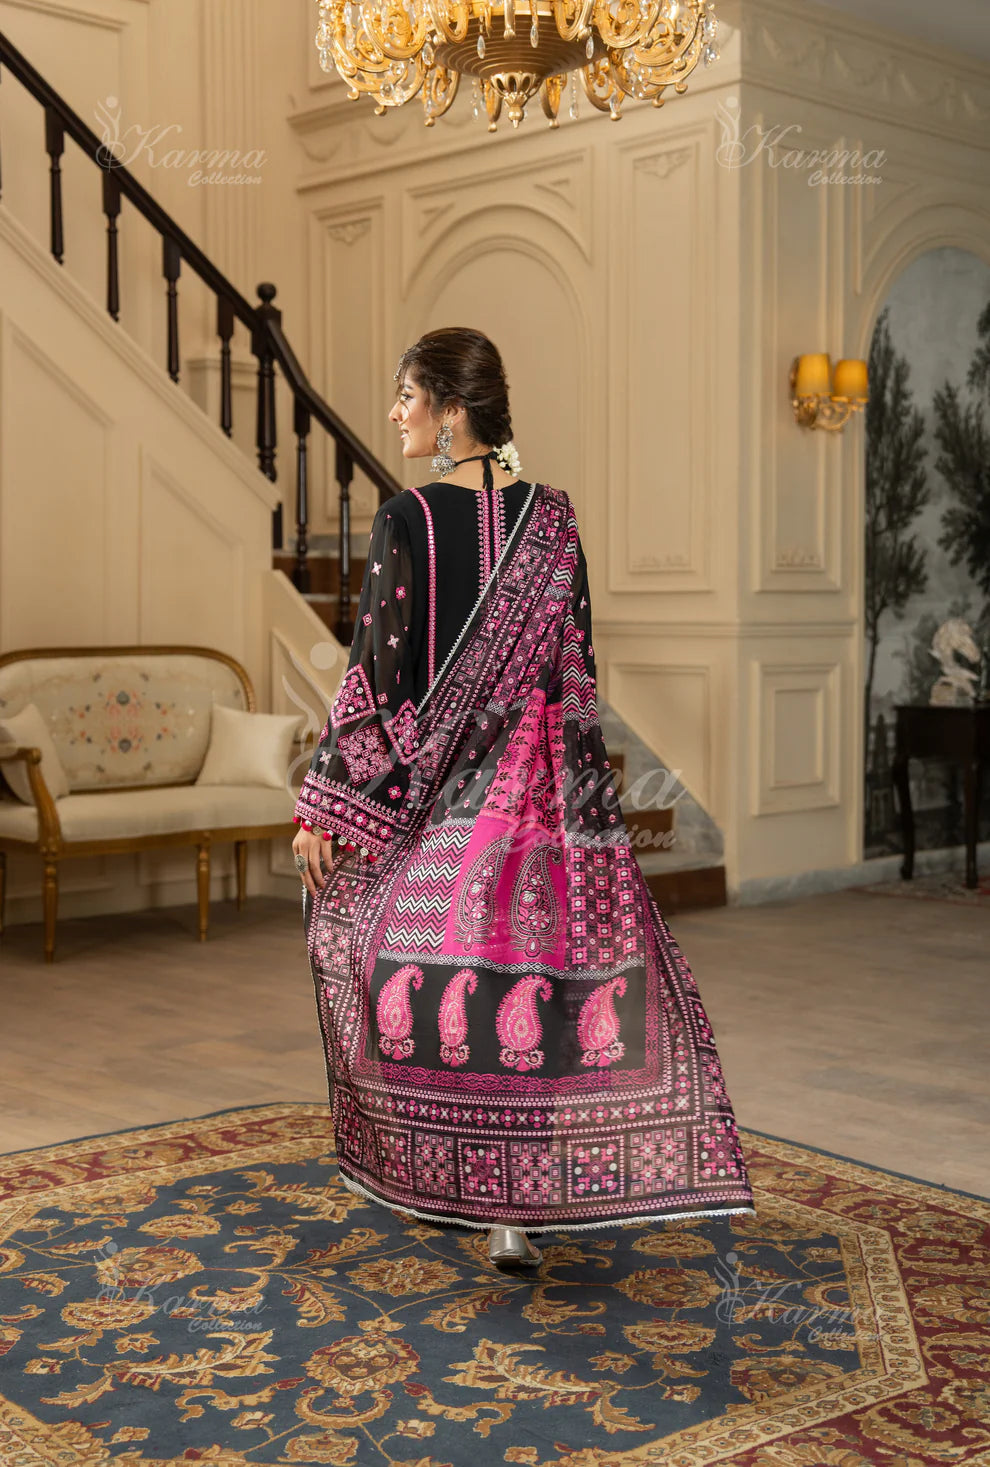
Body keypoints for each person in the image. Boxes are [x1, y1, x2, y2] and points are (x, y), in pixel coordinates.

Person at [291, 327, 755, 1268]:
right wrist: (589, 812)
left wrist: (326, 808)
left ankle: (455, 1175)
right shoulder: (556, 519)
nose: (396, 413)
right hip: (545, 794)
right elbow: (578, 673)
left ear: (452, 410)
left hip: (439, 795)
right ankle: (518, 1208)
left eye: (408, 396)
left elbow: (376, 678)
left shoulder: (406, 520)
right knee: (531, 983)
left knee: (403, 958)